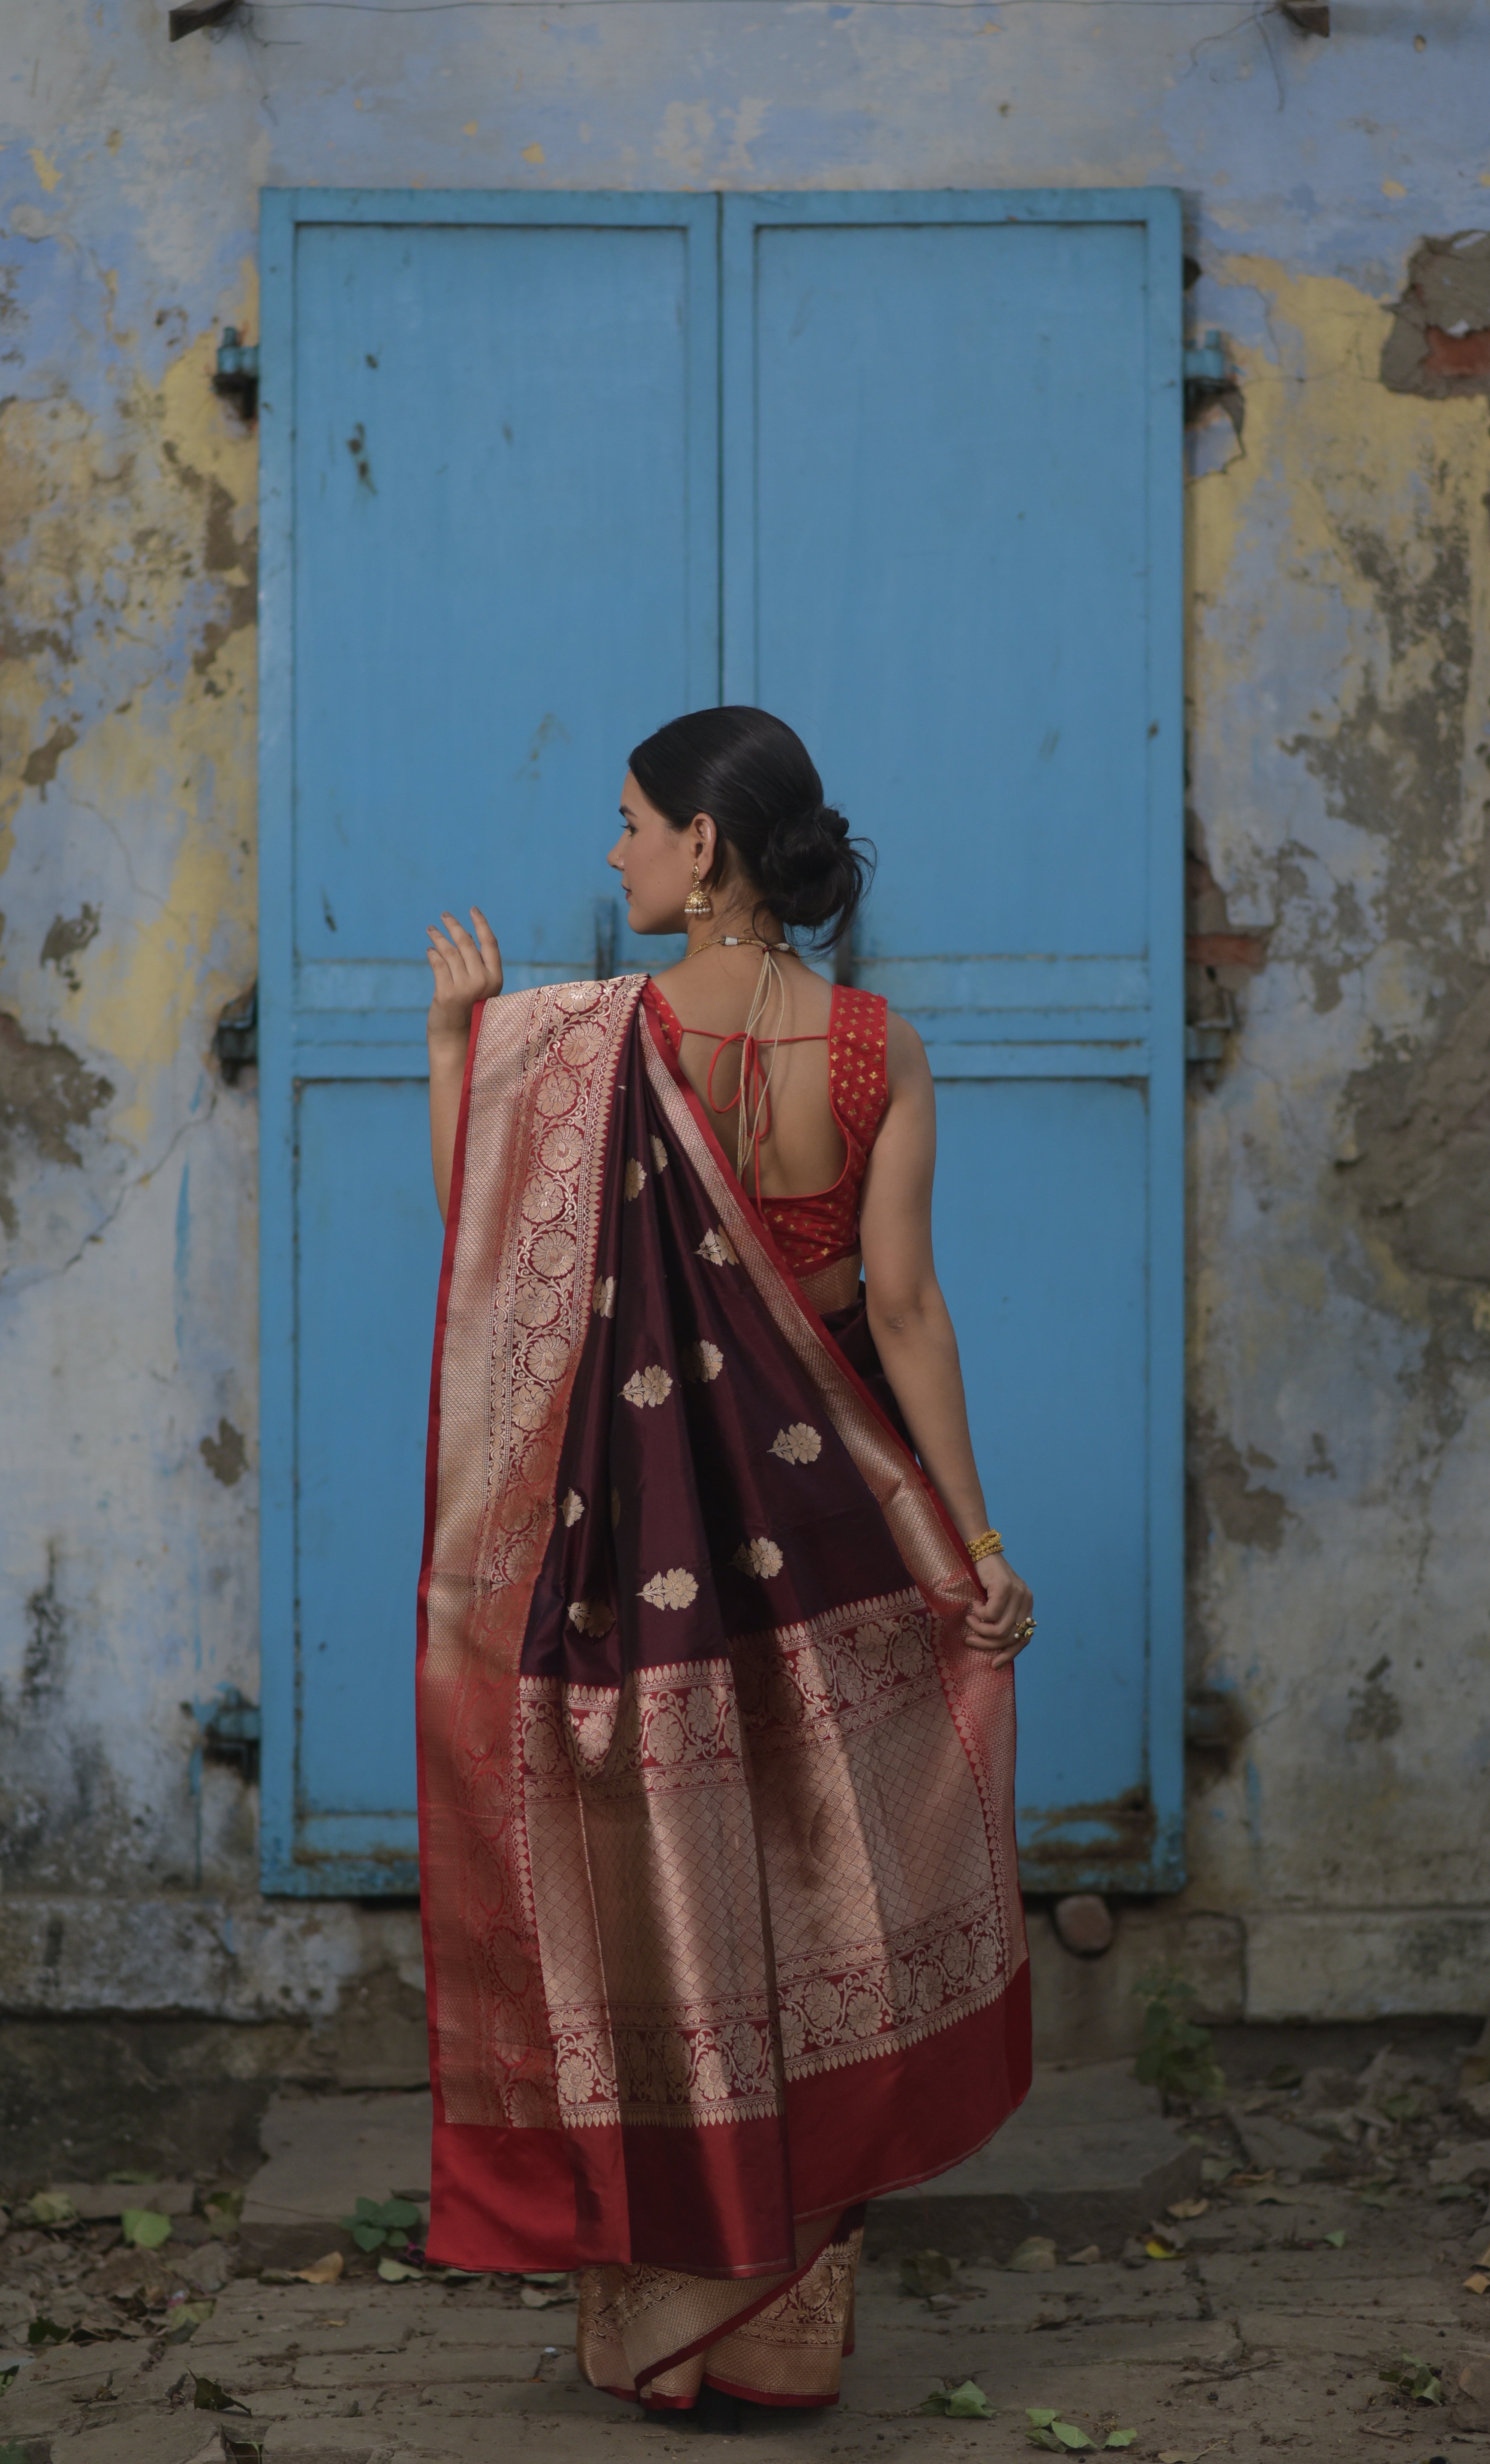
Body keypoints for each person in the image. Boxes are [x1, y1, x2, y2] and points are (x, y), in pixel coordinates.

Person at [417, 706, 1035, 2426]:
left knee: (663, 1912)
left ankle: (663, 2323)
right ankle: (776, 2321)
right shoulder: (871, 1048)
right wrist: (972, 1540)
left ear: (707, 848)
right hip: (839, 1529)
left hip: (635, 1555)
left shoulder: (576, 1041)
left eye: (629, 822)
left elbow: (488, 1264)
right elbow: (901, 1312)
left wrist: (453, 1038)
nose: (610, 853)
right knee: (830, 1893)